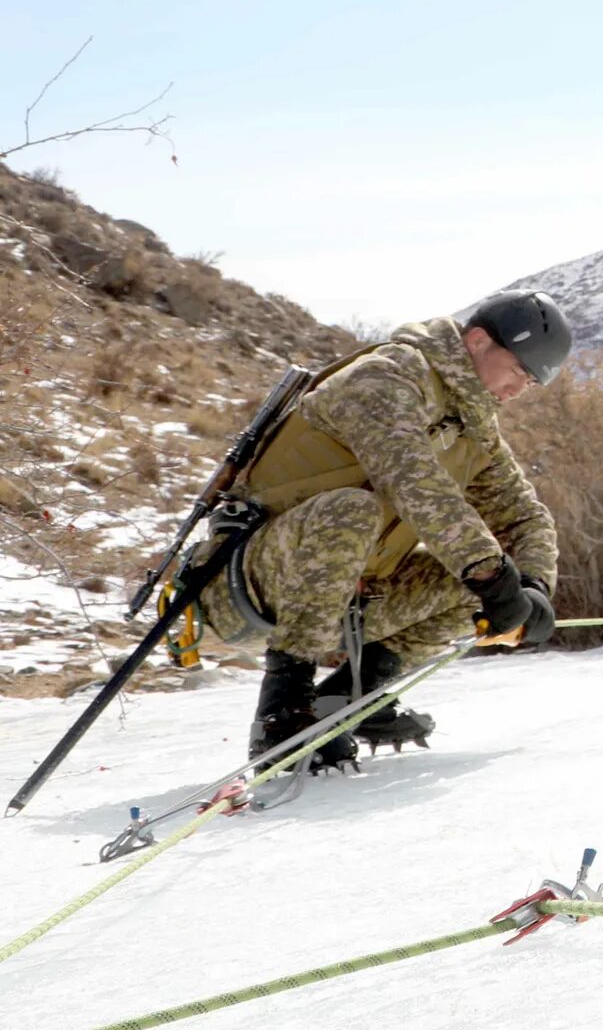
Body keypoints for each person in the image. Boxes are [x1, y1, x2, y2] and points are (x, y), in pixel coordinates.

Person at [192, 291, 570, 766]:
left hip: (345, 604)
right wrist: (493, 576)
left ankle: (349, 700)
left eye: (531, 383)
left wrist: (532, 588)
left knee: (484, 584)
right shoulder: (384, 376)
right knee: (357, 511)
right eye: (518, 370)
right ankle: (282, 715)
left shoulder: (474, 428)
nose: (518, 390)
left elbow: (524, 516)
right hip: (246, 587)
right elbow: (412, 478)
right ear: (476, 341)